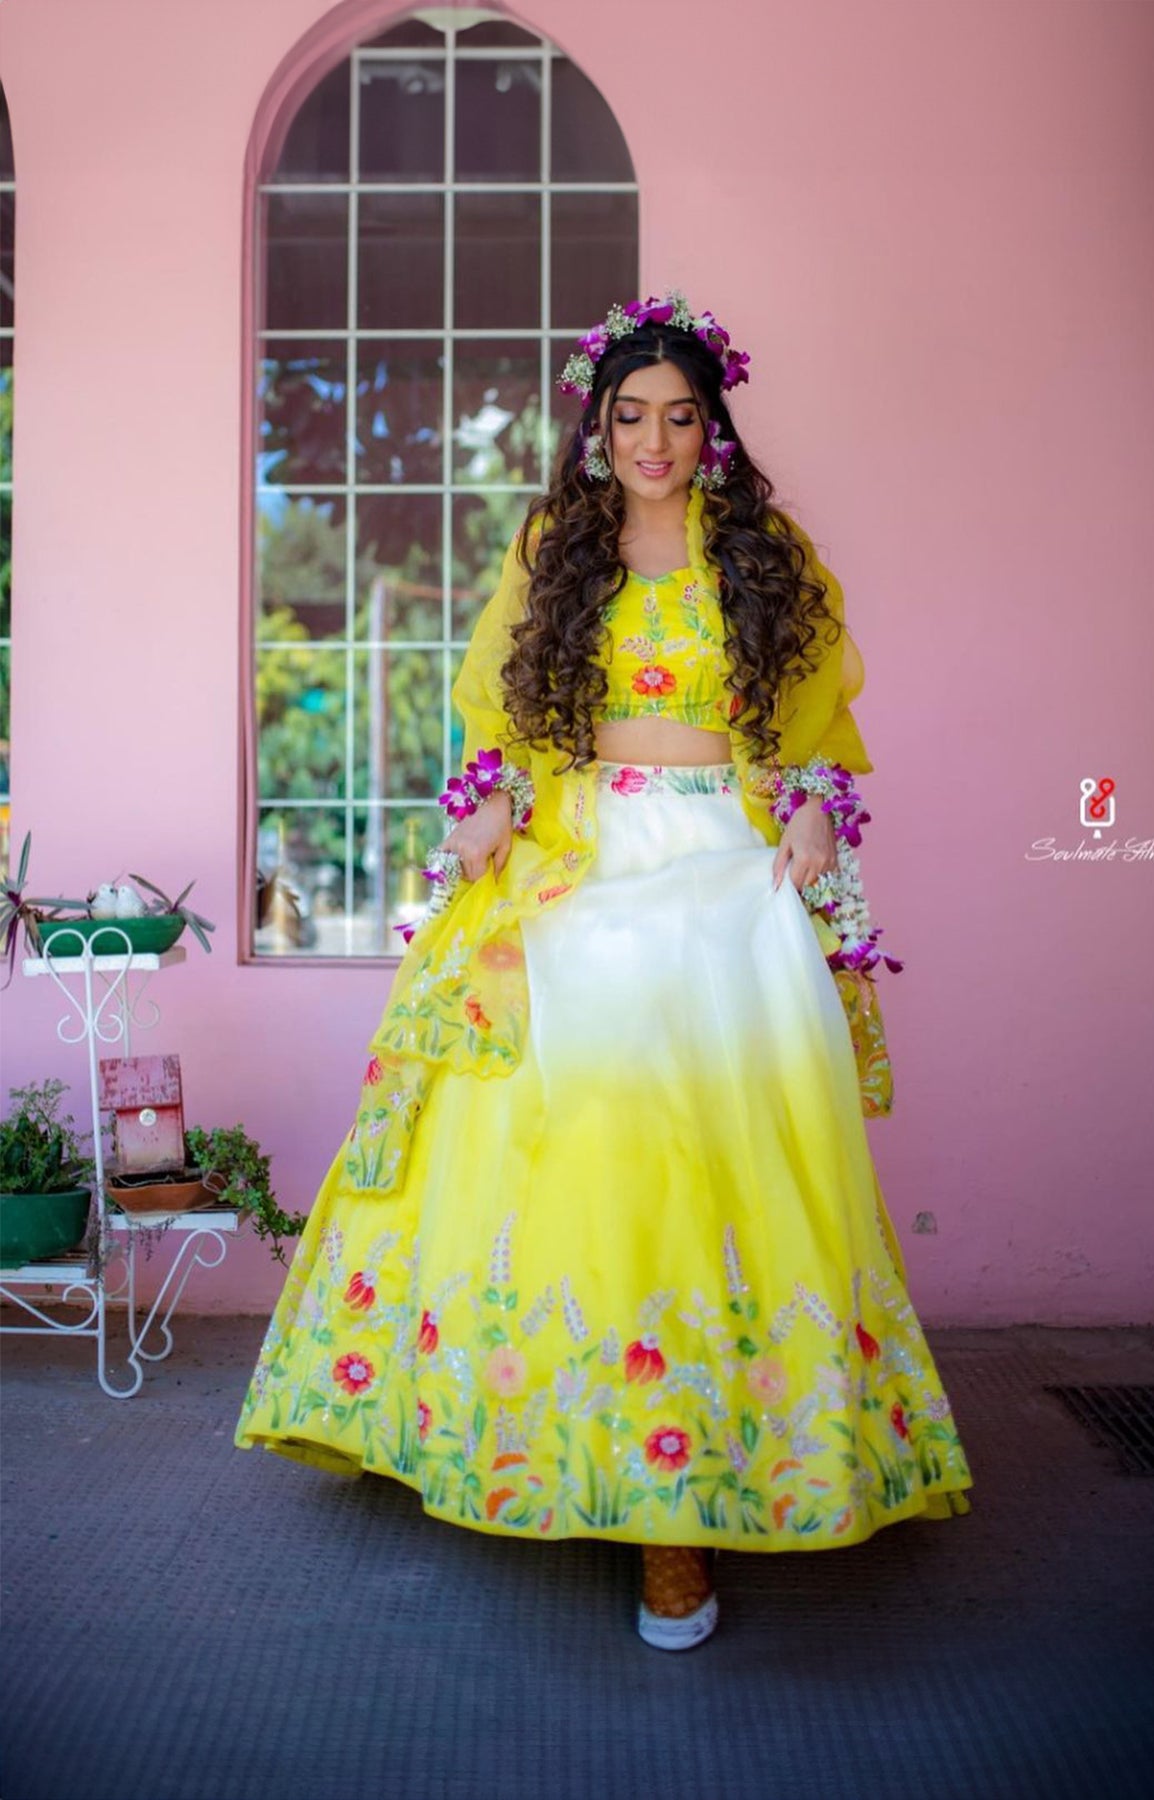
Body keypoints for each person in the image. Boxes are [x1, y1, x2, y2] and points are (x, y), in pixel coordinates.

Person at [235, 291, 973, 1652]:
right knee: (577, 1141)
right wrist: (487, 803)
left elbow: (811, 710)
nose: (655, 438)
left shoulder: (763, 551)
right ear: (599, 427)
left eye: (680, 416)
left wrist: (812, 804)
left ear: (713, 428)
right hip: (583, 855)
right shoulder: (551, 547)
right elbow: (500, 706)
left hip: (722, 865)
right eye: (631, 415)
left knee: (735, 1144)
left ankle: (691, 1511)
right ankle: (562, 1456)